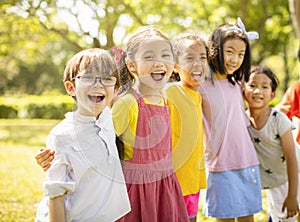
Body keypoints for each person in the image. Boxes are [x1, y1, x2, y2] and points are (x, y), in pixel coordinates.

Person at [35, 48, 131, 222]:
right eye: (88, 77)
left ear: (116, 90)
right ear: (71, 87)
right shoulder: (62, 135)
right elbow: (55, 193)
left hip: (109, 216)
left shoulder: (107, 117)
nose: (98, 84)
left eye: (106, 79)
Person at [112, 25, 189, 222]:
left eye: (165, 55)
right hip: (137, 193)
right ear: (131, 65)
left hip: (165, 186)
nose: (159, 62)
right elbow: (100, 141)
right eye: (149, 57)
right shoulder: (128, 103)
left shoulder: (165, 100)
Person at [198, 18, 262, 221]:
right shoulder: (201, 86)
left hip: (246, 158)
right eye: (230, 51)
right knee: (223, 217)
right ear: (215, 49)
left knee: (247, 218)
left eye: (241, 54)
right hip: (220, 164)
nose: (235, 59)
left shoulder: (238, 83)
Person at [243, 65, 300, 221]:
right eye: (252, 85)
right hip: (275, 179)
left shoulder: (278, 119)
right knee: (280, 218)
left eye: (264, 87)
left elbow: (291, 158)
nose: (257, 91)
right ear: (243, 89)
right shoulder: (242, 120)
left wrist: (292, 195)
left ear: (273, 94)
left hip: (294, 173)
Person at [163, 30, 208, 222]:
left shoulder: (197, 95)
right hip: (173, 183)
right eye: (189, 57)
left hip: (191, 181)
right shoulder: (170, 91)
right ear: (175, 66)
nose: (198, 63)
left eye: (203, 57)